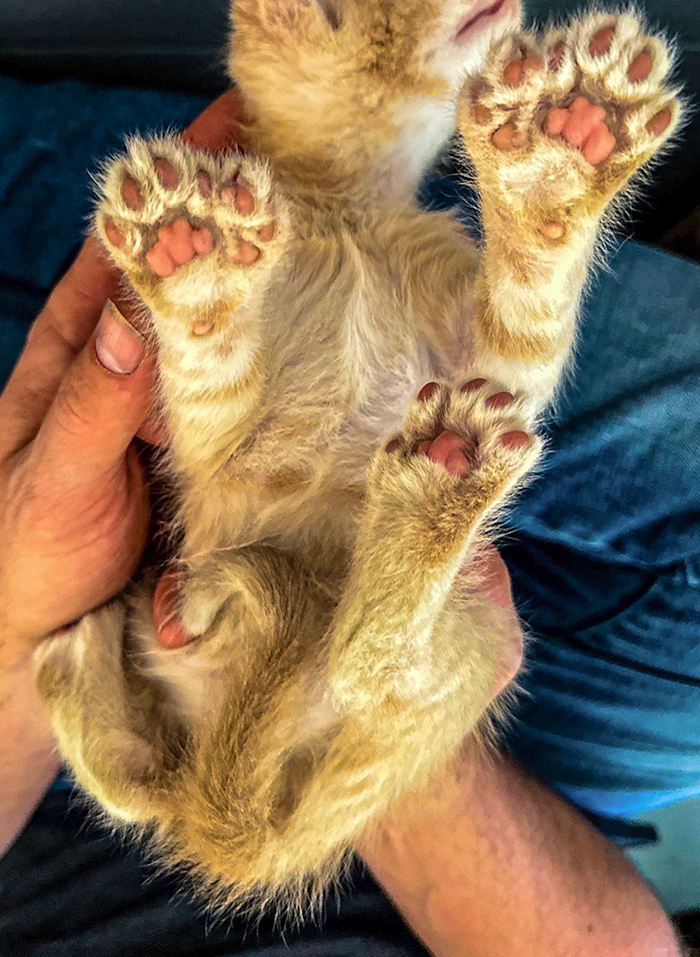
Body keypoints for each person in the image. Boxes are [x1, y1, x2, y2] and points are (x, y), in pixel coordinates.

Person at [0, 90, 694, 957]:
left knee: (220, 257)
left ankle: (314, 234)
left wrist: (23, 613)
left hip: (135, 678)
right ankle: (515, 235)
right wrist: (390, 744)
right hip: (484, 802)